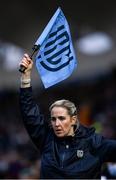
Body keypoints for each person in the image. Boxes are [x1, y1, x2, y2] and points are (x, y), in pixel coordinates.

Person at [19, 54, 116, 179]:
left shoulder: (94, 144)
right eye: (53, 119)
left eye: (62, 118)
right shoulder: (46, 139)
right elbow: (29, 114)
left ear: (73, 119)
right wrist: (25, 77)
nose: (57, 123)